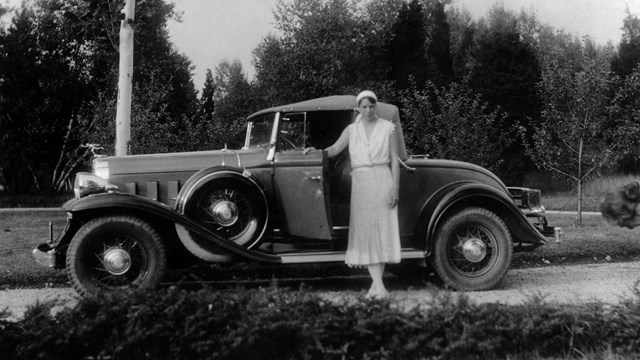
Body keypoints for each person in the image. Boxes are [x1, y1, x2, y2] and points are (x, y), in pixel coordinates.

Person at [324, 90, 401, 298]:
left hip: (382, 179)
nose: (368, 110)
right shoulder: (352, 130)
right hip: (361, 183)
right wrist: (315, 152)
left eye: (371, 106)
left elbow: (395, 159)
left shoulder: (388, 128)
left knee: (381, 230)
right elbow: (334, 149)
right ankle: (378, 287)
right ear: (359, 108)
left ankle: (378, 287)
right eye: (364, 107)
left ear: (376, 106)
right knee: (366, 231)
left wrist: (395, 188)